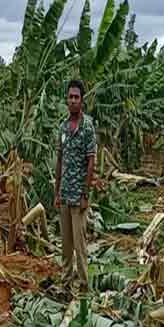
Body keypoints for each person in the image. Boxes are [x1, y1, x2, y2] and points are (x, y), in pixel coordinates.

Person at [54, 79, 96, 294]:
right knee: (66, 244)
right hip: (64, 194)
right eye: (70, 97)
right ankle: (66, 282)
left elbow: (91, 162)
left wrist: (85, 194)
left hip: (78, 194)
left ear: (82, 100)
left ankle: (83, 286)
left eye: (76, 97)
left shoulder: (87, 127)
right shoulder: (62, 126)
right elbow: (60, 160)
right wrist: (57, 192)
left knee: (80, 245)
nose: (72, 100)